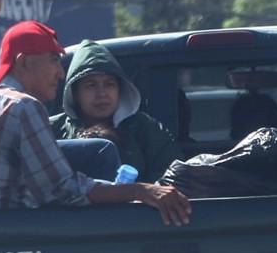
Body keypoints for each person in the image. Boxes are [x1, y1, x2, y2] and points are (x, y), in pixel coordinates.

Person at [0, 21, 191, 226]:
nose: (60, 72)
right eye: (54, 60)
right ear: (24, 63)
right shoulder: (22, 107)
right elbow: (65, 190)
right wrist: (143, 191)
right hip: (9, 250)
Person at [51, 40, 183, 183]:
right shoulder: (51, 130)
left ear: (121, 90)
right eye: (91, 85)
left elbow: (172, 179)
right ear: (74, 93)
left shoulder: (145, 129)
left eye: (109, 84)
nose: (102, 94)